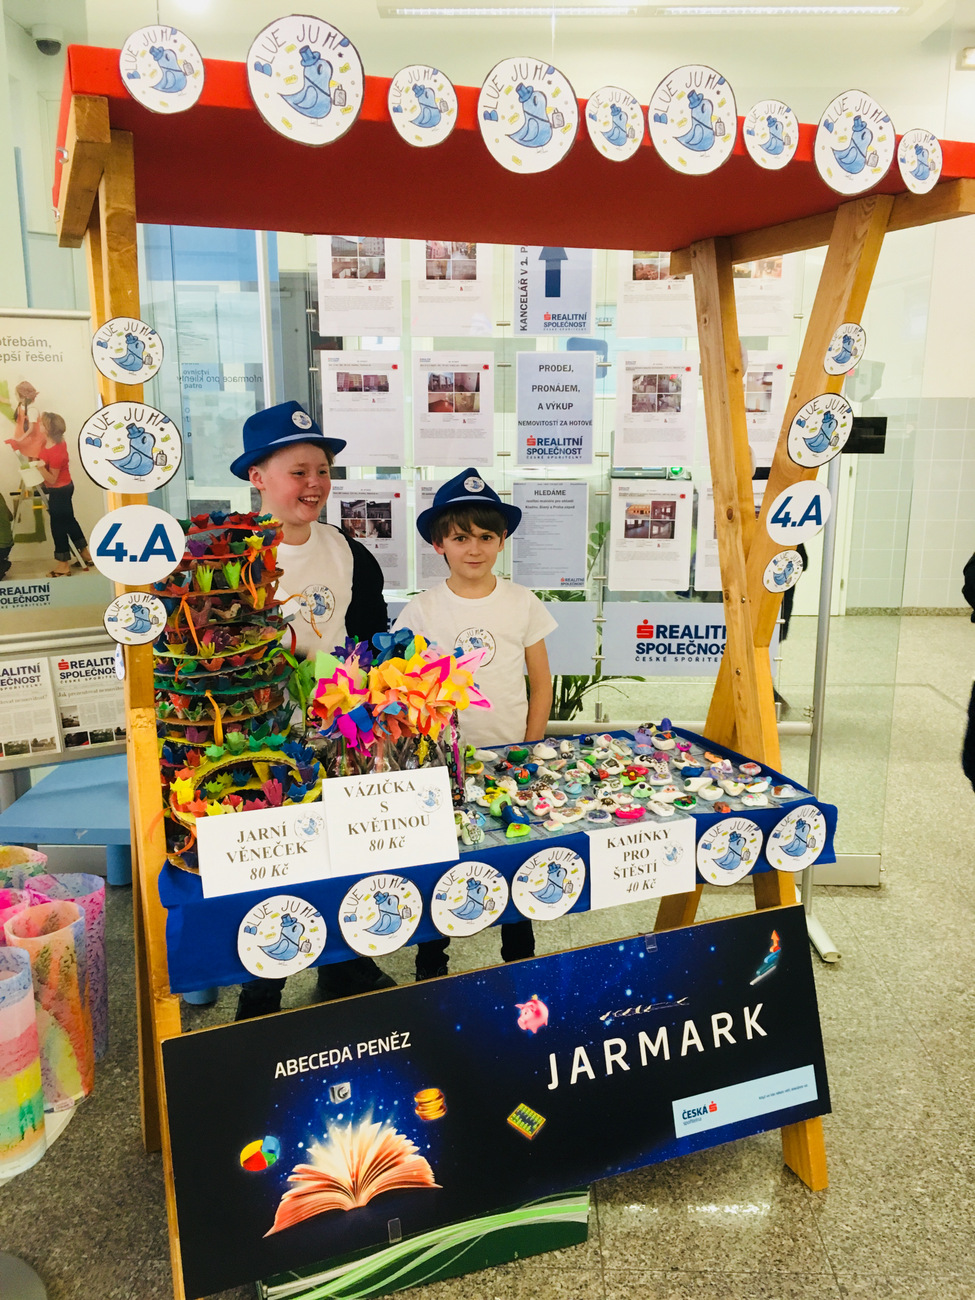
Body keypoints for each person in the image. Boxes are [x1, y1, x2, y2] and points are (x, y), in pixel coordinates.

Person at [229, 400, 394, 1018]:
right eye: (298, 471)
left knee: (347, 851)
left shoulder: (348, 551)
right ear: (258, 477)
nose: (314, 484)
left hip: (339, 734)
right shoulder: (229, 556)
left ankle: (344, 964)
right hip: (256, 739)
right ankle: (262, 986)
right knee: (274, 864)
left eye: (322, 470)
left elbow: (371, 638)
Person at [394, 469, 557, 981]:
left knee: (516, 852)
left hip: (510, 759)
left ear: (502, 541)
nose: (474, 548)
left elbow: (541, 683)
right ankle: (430, 965)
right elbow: (404, 691)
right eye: (461, 537)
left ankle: (519, 963)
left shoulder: (522, 601)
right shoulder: (421, 610)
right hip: (442, 765)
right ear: (438, 543)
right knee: (443, 863)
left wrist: (530, 748)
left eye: (486, 537)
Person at [34, 413, 92, 577]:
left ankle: (63, 565)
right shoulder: (52, 442)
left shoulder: (57, 452)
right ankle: (85, 554)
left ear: (49, 429)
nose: (39, 425)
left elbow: (52, 479)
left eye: (42, 424)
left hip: (60, 491)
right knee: (69, 521)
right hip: (63, 488)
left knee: (58, 527)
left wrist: (40, 468)